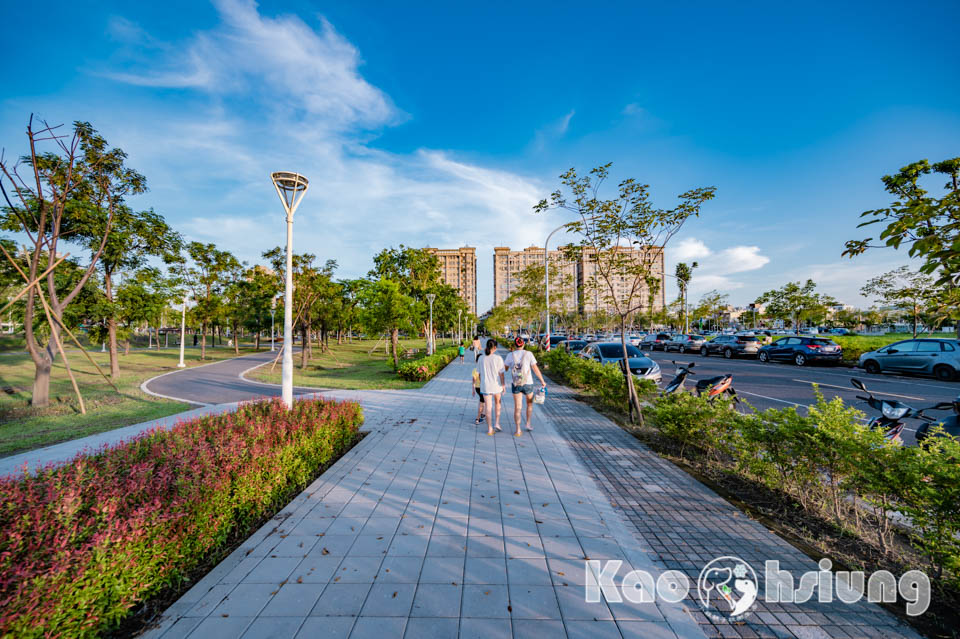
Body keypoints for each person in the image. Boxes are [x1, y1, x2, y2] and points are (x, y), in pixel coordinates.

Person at [504, 336, 546, 436]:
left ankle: (518, 430)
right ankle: (528, 424)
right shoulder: (529, 354)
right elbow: (535, 369)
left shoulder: (510, 355)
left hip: (516, 384)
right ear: (523, 344)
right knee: (529, 404)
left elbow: (505, 369)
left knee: (517, 407)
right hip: (528, 383)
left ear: (514, 345)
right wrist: (542, 381)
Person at [477, 338, 504, 435]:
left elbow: (479, 374)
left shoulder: (481, 358)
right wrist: (503, 385)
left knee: (488, 407)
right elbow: (501, 374)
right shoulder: (498, 358)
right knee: (498, 404)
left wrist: (481, 382)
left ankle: (489, 429)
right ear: (495, 347)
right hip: (497, 386)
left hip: (485, 386)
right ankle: (497, 423)